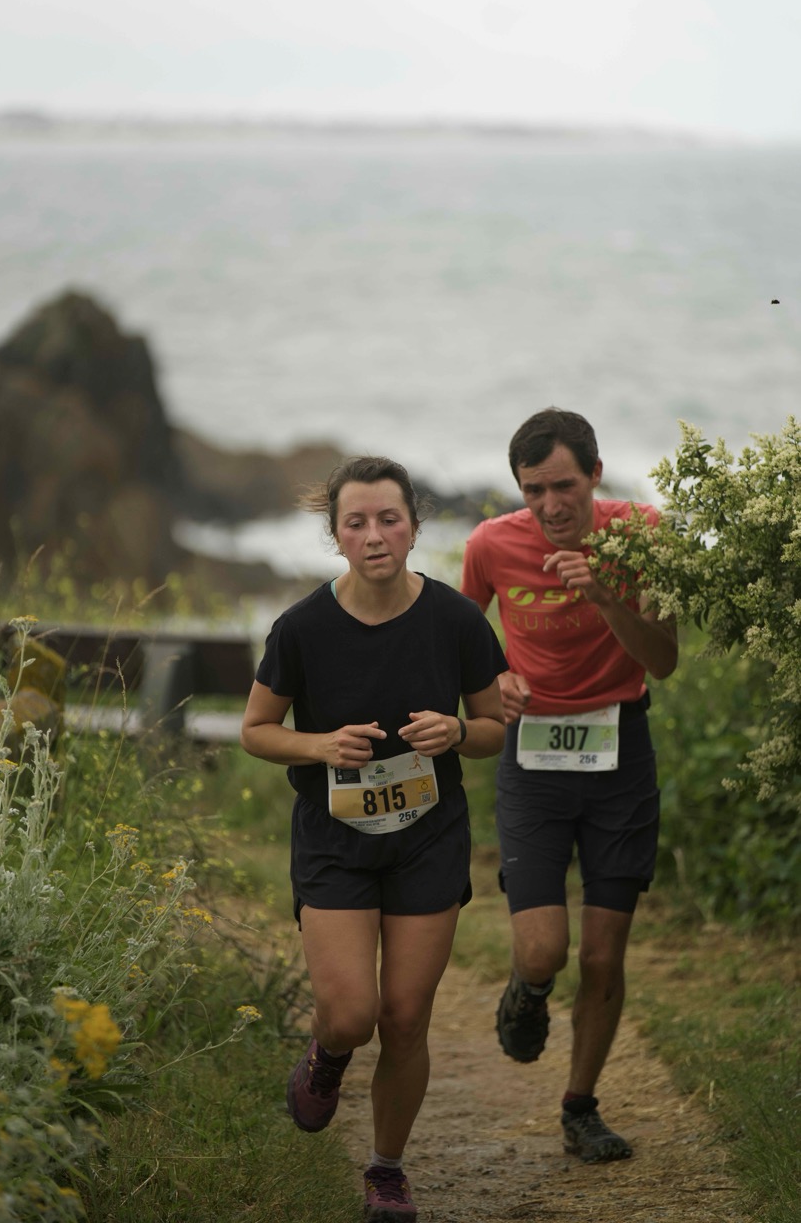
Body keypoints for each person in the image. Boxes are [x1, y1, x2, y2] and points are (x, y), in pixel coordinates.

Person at [240, 455, 507, 1222]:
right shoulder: (301, 628)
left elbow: (492, 727)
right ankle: (328, 1055)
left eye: (388, 519)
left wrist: (456, 731)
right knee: (352, 1016)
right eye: (355, 522)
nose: (374, 535)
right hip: (335, 841)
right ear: (336, 535)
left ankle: (386, 1171)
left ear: (414, 527)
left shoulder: (456, 620)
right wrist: (321, 746)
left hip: (428, 838)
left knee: (405, 1018)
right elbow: (256, 731)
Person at [460, 407, 678, 1164]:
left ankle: (579, 1108)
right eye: (533, 491)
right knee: (544, 949)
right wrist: (494, 683)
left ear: (595, 474)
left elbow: (664, 661)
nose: (550, 506)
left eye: (564, 487)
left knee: (604, 958)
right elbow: (457, 647)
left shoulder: (642, 535)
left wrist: (607, 594)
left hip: (621, 753)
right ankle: (526, 988)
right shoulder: (490, 545)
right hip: (534, 761)